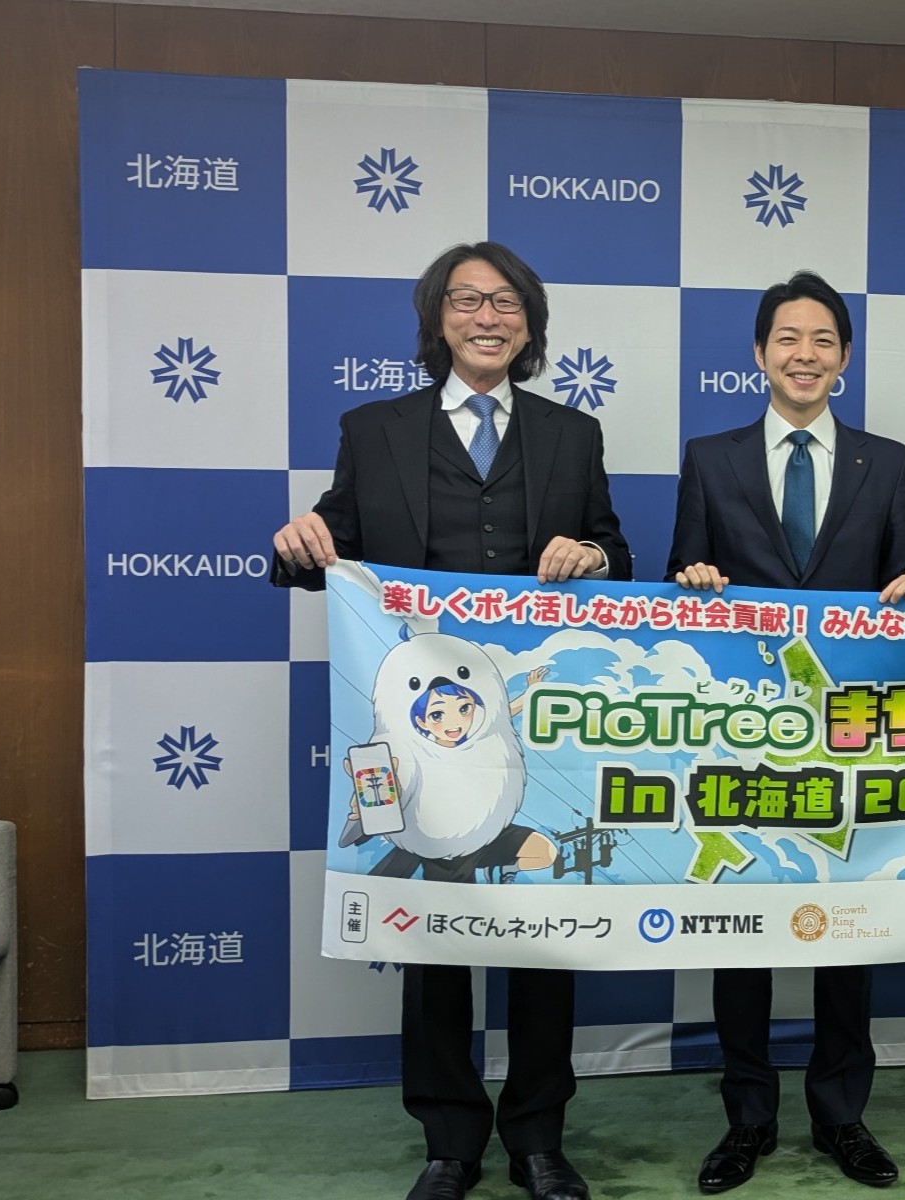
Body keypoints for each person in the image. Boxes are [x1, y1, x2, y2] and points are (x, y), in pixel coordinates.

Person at [272, 241, 630, 1200]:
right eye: (468, 300)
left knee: (544, 930)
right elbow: (332, 543)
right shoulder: (374, 429)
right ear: (438, 319)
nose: (487, 317)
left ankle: (540, 1137)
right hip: (419, 725)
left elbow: (616, 551)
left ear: (530, 324)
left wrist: (593, 556)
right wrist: (300, 544)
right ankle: (450, 1142)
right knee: (432, 935)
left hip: (535, 725)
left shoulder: (572, 434)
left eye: (506, 302)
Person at [668, 271, 905, 1193]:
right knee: (743, 927)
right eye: (787, 338)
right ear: (758, 353)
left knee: (846, 929)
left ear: (844, 358)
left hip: (850, 733)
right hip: (745, 733)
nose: (804, 355)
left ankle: (841, 1115)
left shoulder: (885, 462)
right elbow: (679, 582)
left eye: (822, 340)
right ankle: (747, 1118)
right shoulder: (712, 458)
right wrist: (694, 581)